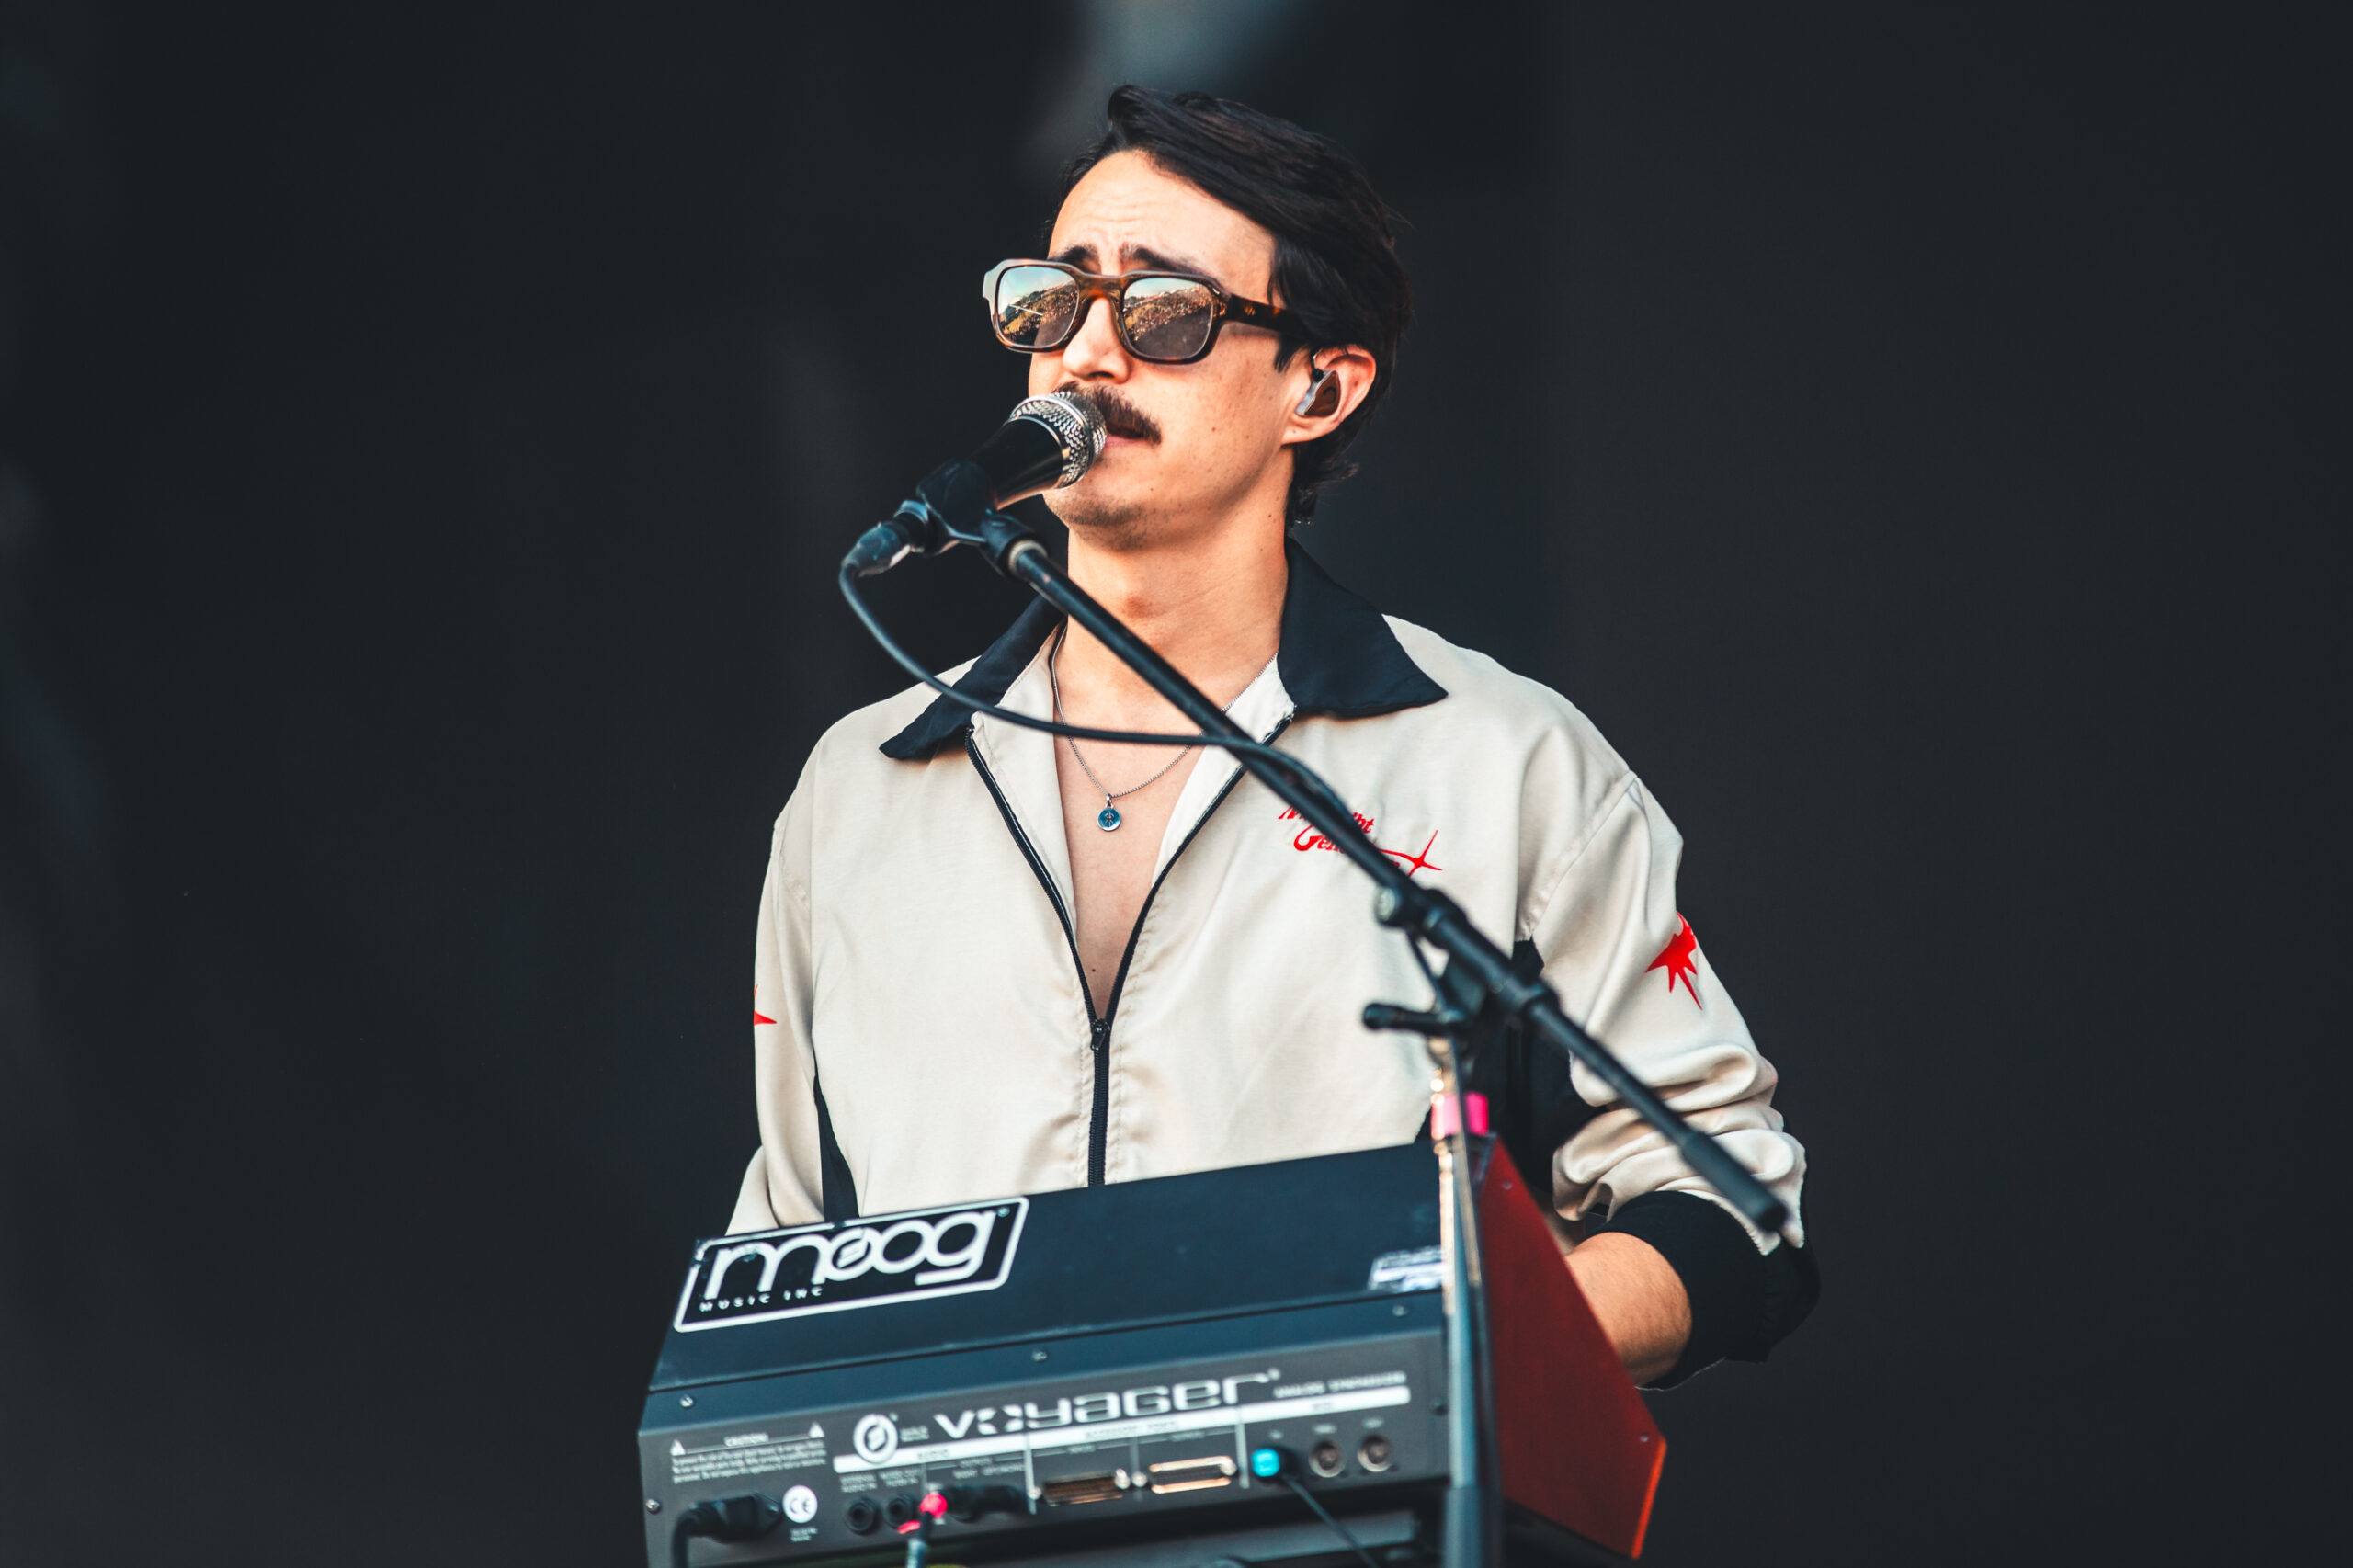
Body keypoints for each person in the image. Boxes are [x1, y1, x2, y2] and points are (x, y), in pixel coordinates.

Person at [733, 86, 1813, 1387]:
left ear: (1320, 384)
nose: (1088, 353)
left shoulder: (1504, 763)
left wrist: (1444, 1350)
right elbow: (789, 1247)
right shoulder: (856, 790)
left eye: (1165, 311)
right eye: (1053, 300)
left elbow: (1729, 1202)